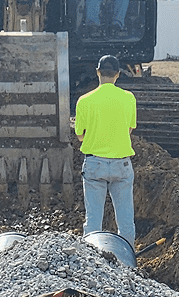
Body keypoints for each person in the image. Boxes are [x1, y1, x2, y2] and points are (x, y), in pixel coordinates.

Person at [73, 54, 137, 249]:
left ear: (98, 72)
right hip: (122, 165)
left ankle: (92, 264)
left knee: (93, 221)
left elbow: (80, 135)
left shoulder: (84, 100)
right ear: (118, 75)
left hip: (94, 165)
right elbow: (129, 129)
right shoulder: (128, 98)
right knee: (126, 221)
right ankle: (127, 263)